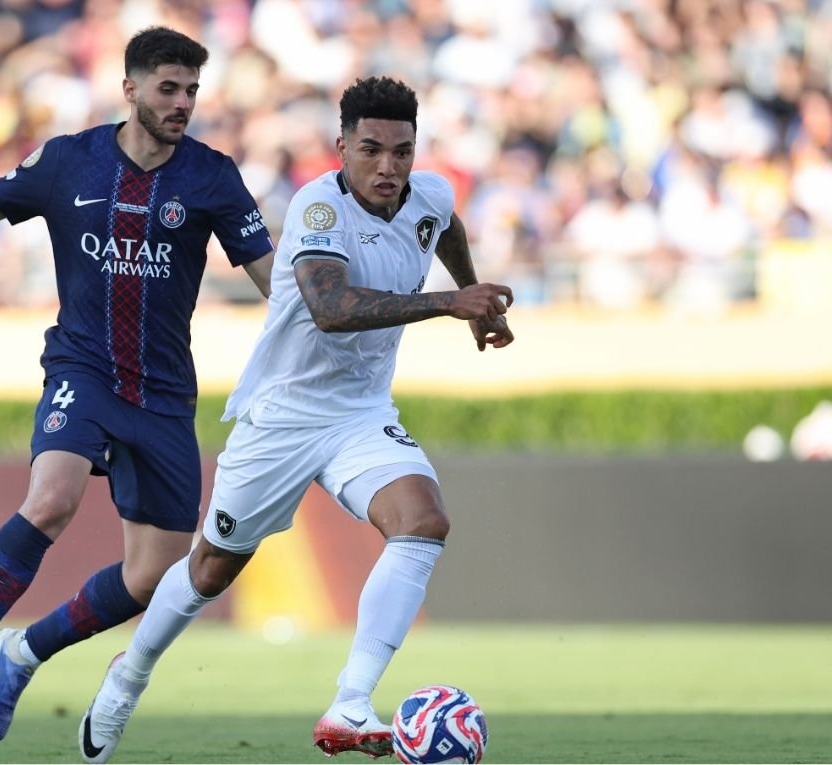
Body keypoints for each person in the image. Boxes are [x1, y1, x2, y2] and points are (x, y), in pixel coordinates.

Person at [76, 76, 514, 764]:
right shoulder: (318, 209)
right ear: (342, 146)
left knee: (423, 521)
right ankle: (128, 672)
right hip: (280, 416)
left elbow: (444, 225)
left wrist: (477, 309)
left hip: (360, 413)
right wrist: (450, 301)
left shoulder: (428, 194)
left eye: (402, 152)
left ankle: (349, 702)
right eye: (370, 150)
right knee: (213, 567)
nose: (388, 167)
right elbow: (331, 308)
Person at [0, 26, 275, 742]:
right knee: (52, 497)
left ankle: (25, 651)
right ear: (130, 89)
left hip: (164, 396)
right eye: (168, 89)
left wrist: (349, 310)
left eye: (191, 91)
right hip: (83, 369)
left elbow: (277, 282)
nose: (182, 103)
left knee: (152, 578)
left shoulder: (213, 176)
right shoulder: (69, 161)